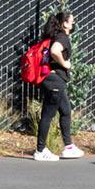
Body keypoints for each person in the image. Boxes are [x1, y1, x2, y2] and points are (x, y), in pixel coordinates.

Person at [33, 11, 85, 162]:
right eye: (71, 22)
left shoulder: (57, 36)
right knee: (48, 115)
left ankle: (68, 147)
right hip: (54, 80)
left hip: (55, 81)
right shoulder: (62, 37)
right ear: (64, 24)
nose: (73, 24)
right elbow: (55, 51)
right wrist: (65, 64)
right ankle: (40, 150)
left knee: (66, 111)